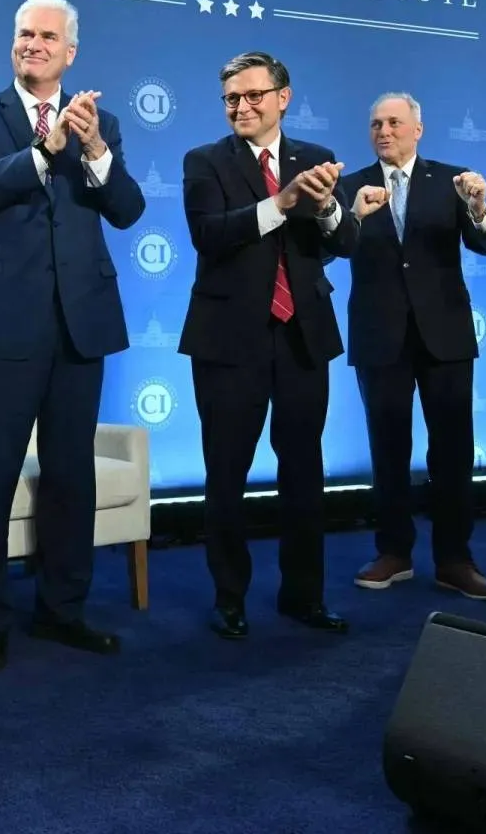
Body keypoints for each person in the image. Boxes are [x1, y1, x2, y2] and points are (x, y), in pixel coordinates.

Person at [0, 0, 146, 672]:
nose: (34, 44)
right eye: (24, 33)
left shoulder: (101, 123)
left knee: (70, 475)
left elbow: (128, 209)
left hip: (78, 323)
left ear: (71, 52)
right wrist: (43, 151)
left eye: (47, 37)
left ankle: (62, 611)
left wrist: (93, 151)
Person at [177, 51, 358, 640]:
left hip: (302, 335)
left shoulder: (318, 160)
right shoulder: (204, 161)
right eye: (232, 98)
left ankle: (303, 595)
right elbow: (210, 235)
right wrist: (281, 204)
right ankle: (229, 597)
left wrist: (328, 206)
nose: (242, 107)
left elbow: (346, 242)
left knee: (304, 470)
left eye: (254, 95)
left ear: (283, 97)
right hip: (229, 340)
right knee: (225, 473)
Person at [336, 94, 486, 601]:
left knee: (452, 451)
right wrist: (352, 216)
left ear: (418, 129)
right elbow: (332, 245)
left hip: (445, 334)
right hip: (379, 333)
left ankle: (455, 559)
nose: (383, 131)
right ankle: (394, 551)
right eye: (375, 124)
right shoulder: (349, 187)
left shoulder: (454, 181)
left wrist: (478, 208)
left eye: (393, 123)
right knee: (388, 450)